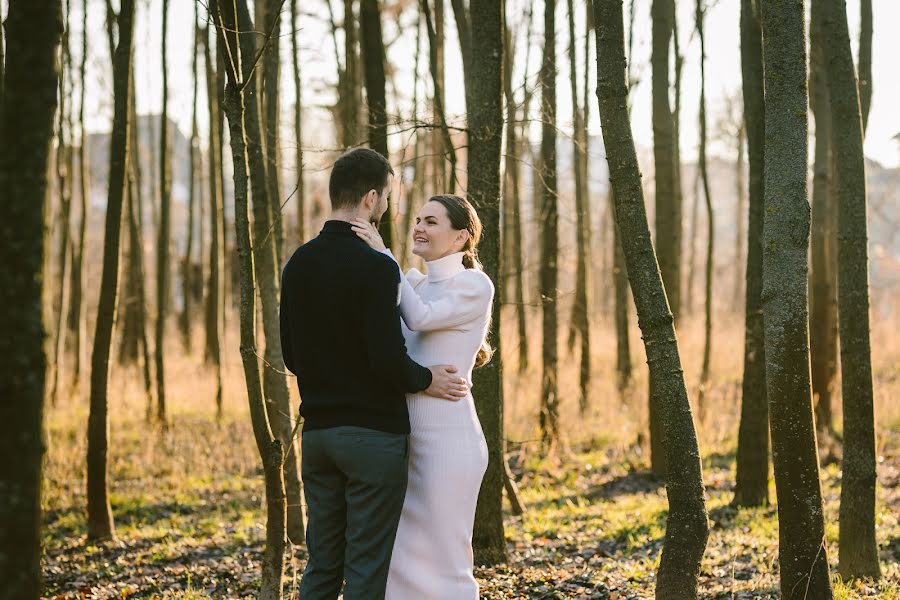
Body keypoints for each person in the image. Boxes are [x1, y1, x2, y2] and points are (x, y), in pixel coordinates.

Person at [279, 148, 469, 600]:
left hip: (319, 437)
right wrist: (427, 379)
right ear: (369, 198)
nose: (386, 206)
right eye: (386, 197)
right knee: (365, 571)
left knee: (322, 564)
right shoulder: (376, 265)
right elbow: (386, 358)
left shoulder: (298, 262)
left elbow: (290, 356)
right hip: (374, 438)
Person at [351, 194, 494, 599]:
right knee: (401, 554)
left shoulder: (473, 284)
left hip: (449, 440)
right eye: (417, 219)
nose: (419, 227)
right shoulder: (412, 282)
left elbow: (421, 318)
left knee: (445, 554)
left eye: (431, 221)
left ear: (460, 237)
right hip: (403, 436)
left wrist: (384, 257)